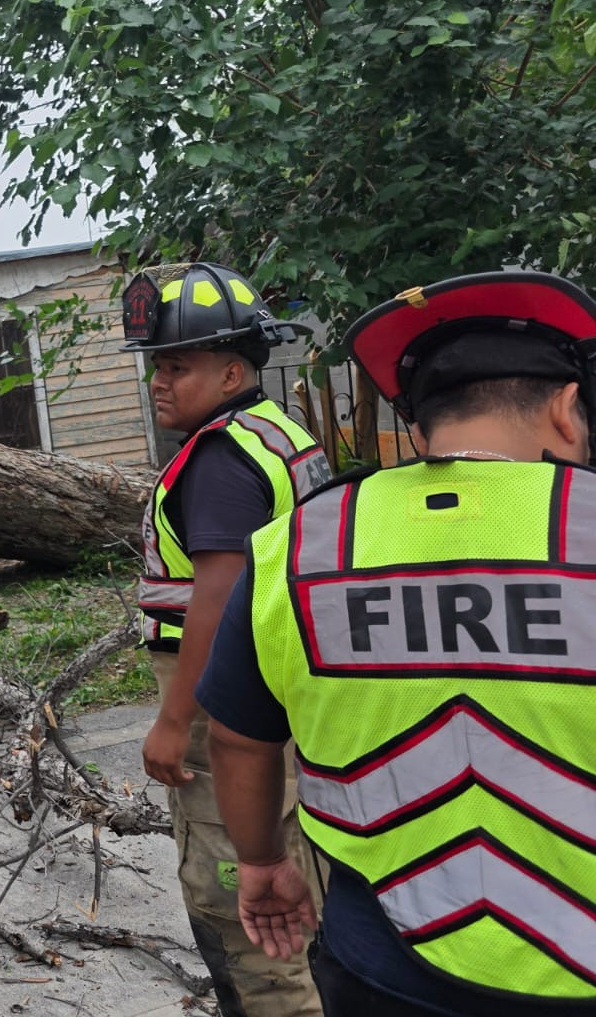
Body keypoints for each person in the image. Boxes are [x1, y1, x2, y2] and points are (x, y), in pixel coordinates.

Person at [198, 270, 596, 1016]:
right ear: (569, 409)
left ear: (417, 431)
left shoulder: (303, 546)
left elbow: (237, 740)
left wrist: (260, 861)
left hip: (383, 957)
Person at [121, 262, 330, 1016]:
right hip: (282, 683)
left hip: (216, 700)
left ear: (233, 369)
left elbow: (218, 594)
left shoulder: (217, 460)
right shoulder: (280, 432)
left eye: (178, 365)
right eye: (155, 367)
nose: (159, 382)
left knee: (236, 894)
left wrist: (174, 723)